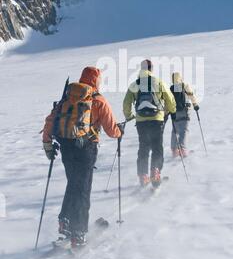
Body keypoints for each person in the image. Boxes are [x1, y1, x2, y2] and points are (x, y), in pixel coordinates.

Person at [42, 67, 122, 249]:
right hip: (86, 149)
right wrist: (120, 132)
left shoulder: (68, 96)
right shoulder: (98, 100)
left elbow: (50, 120)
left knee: (73, 184)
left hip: (66, 147)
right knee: (83, 189)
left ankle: (65, 221)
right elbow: (111, 130)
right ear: (97, 80)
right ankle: (79, 233)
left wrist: (47, 144)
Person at [123, 60, 176, 188]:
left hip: (141, 121)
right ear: (151, 69)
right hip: (157, 119)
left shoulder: (135, 84)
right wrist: (172, 110)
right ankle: (155, 171)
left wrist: (129, 116)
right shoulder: (157, 82)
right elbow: (169, 98)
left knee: (144, 147)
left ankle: (143, 175)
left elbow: (126, 103)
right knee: (157, 146)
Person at [170, 73, 199, 158]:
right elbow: (191, 95)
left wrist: (166, 112)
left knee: (175, 130)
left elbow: (168, 100)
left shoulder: (171, 88)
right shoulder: (185, 85)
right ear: (181, 78)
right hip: (185, 111)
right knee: (184, 130)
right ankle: (182, 149)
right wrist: (195, 105)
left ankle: (174, 150)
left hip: (174, 112)